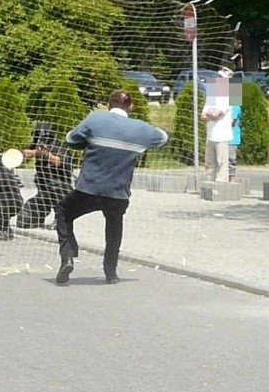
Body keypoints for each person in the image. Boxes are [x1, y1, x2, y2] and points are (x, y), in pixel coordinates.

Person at [55, 90, 168, 285]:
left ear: (108, 106)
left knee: (63, 211)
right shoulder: (140, 128)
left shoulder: (95, 119)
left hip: (89, 189)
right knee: (114, 226)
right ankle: (111, 273)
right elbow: (163, 138)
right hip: (118, 193)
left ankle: (68, 258)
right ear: (131, 107)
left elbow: (70, 139)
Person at [17, 122, 73, 229]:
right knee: (23, 220)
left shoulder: (58, 147)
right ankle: (37, 218)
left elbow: (60, 161)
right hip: (44, 192)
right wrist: (35, 152)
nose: (40, 140)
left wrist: (46, 154)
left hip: (60, 191)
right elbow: (22, 154)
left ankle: (61, 219)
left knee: (57, 189)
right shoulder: (35, 147)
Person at [201, 70, 233, 182]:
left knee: (221, 162)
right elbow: (203, 115)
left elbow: (215, 114)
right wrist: (212, 114)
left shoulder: (227, 97)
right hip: (210, 135)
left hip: (222, 136)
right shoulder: (211, 96)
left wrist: (211, 113)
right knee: (210, 163)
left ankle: (221, 185)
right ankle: (209, 184)